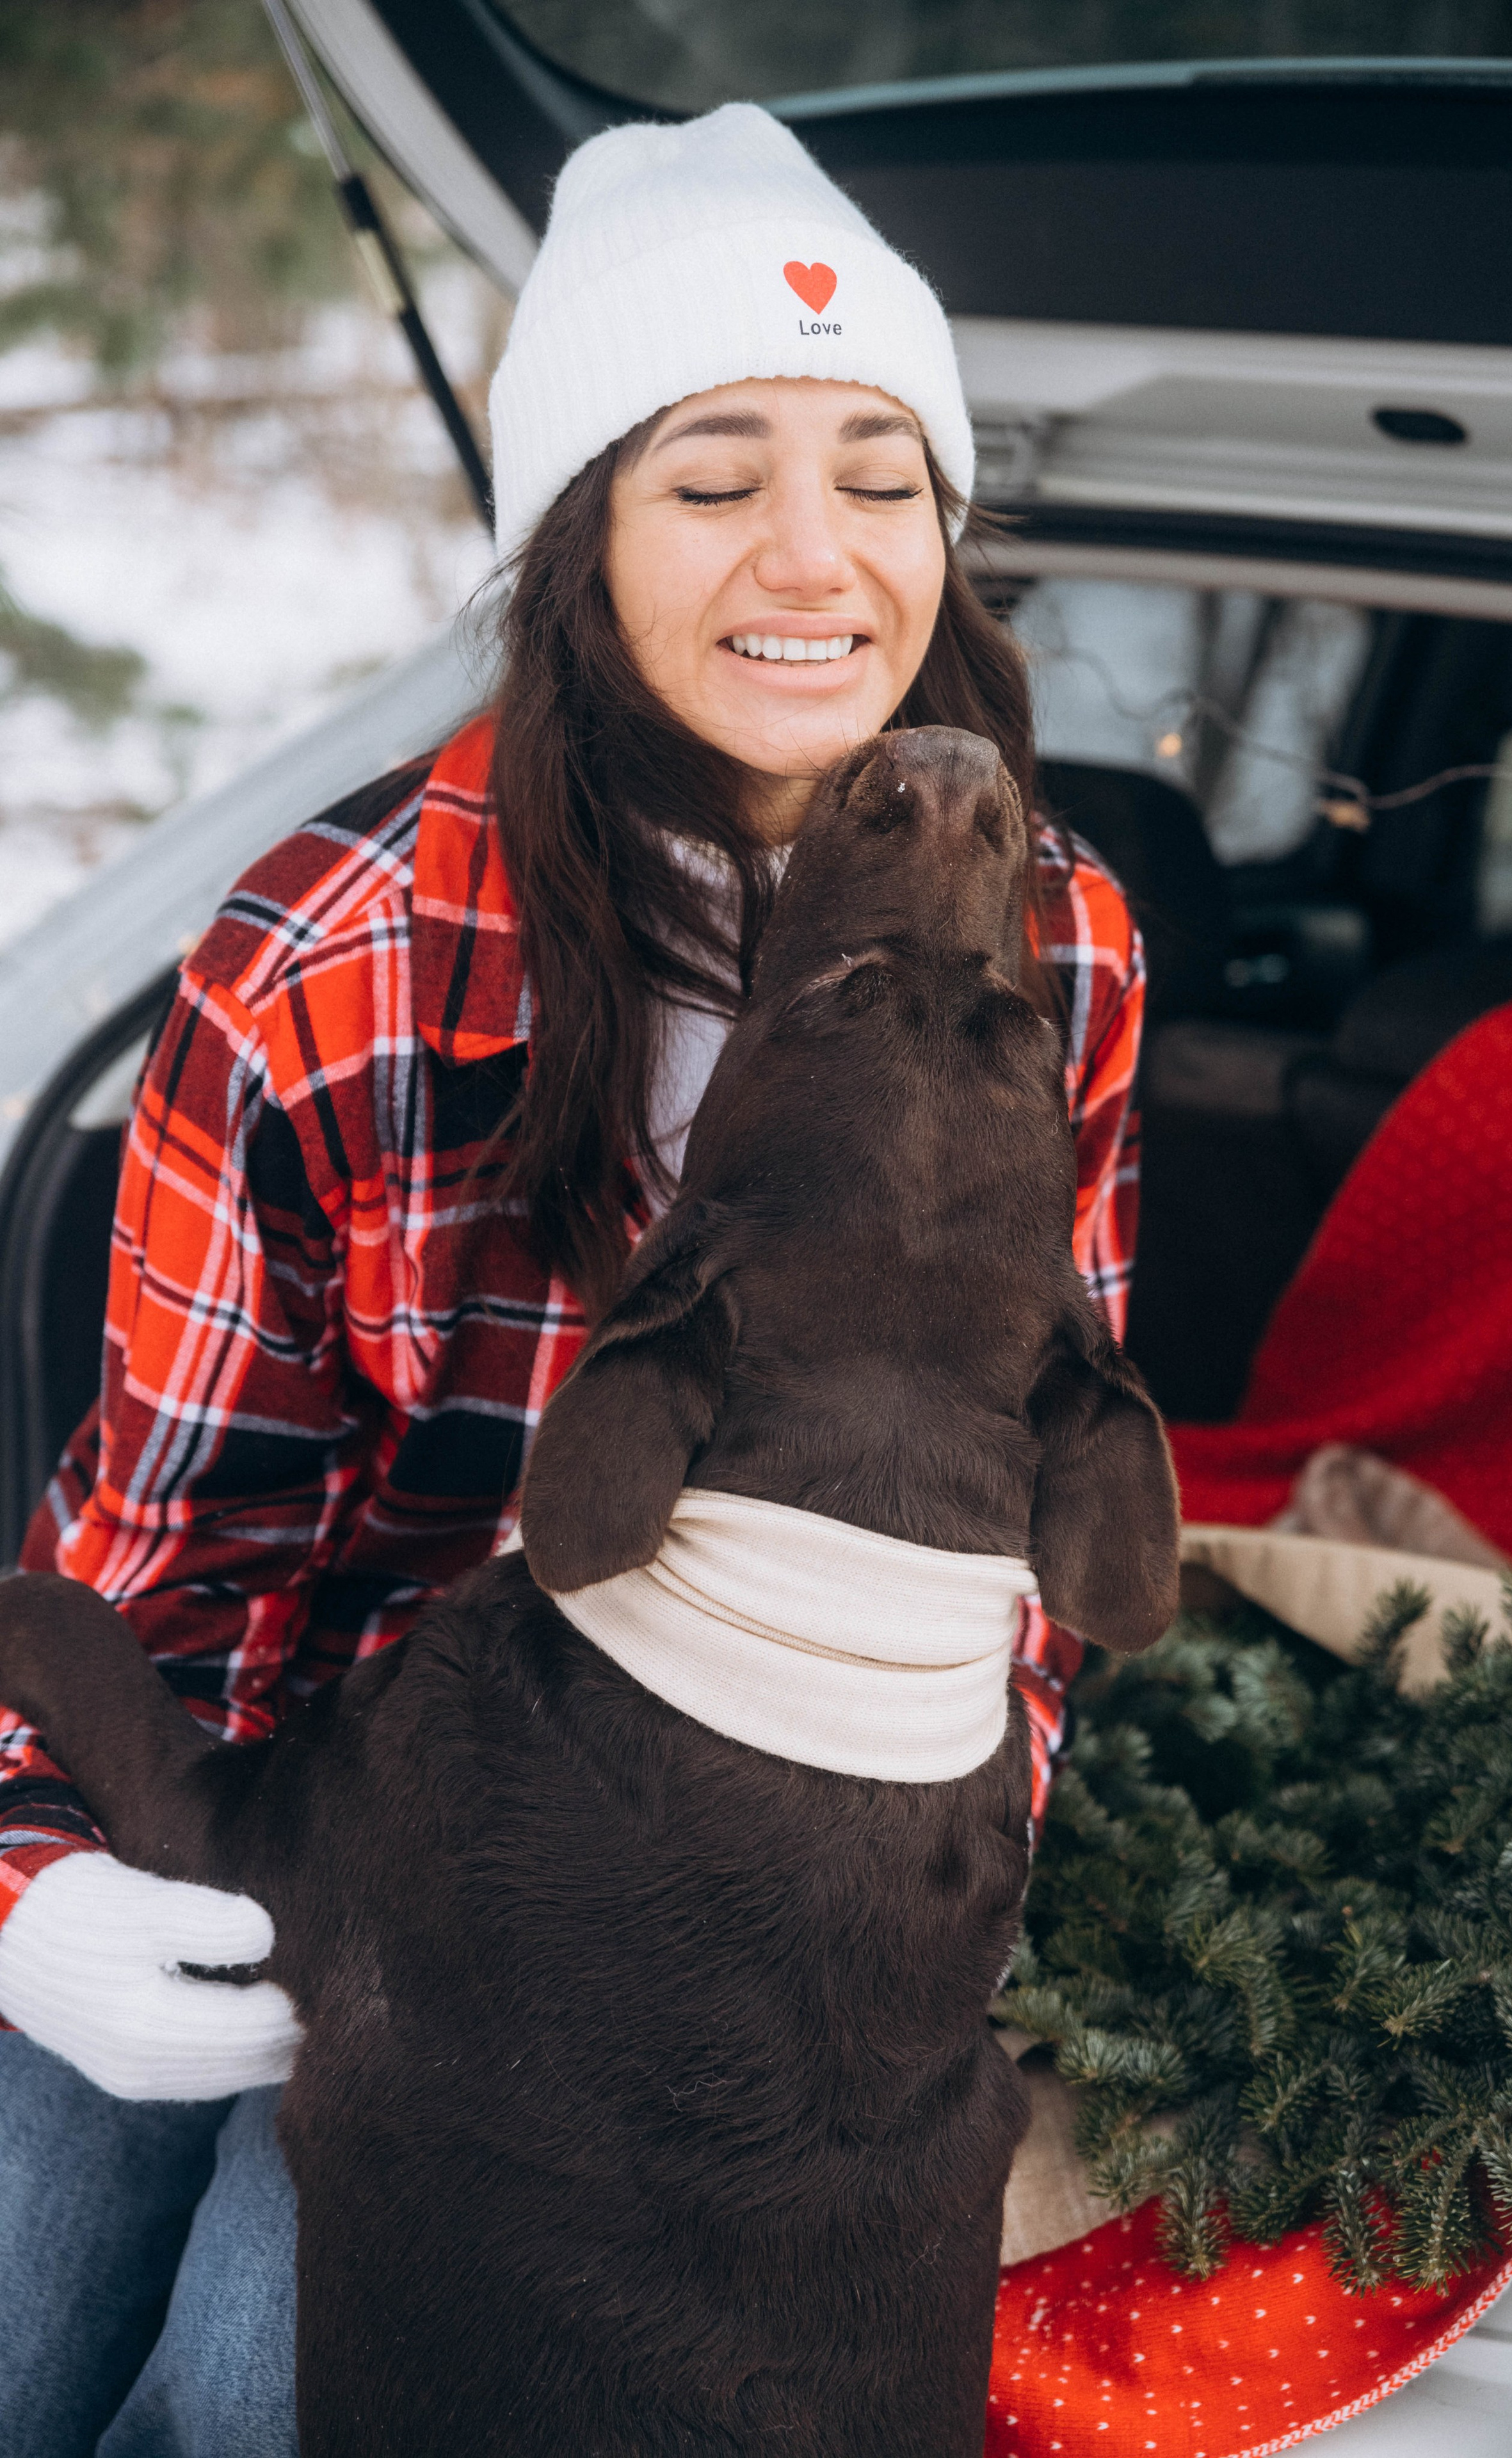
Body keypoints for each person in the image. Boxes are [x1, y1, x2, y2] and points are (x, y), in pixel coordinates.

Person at [0, 104, 1144, 2456]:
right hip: (316, 1782)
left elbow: (1019, 1530)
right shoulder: (336, 960)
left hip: (705, 1880)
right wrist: (40, 1884)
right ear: (579, 547)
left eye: (881, 476)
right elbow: (182, 1539)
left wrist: (892, 1953)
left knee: (253, 2389)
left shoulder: (1056, 950)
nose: (816, 557)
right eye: (714, 477)